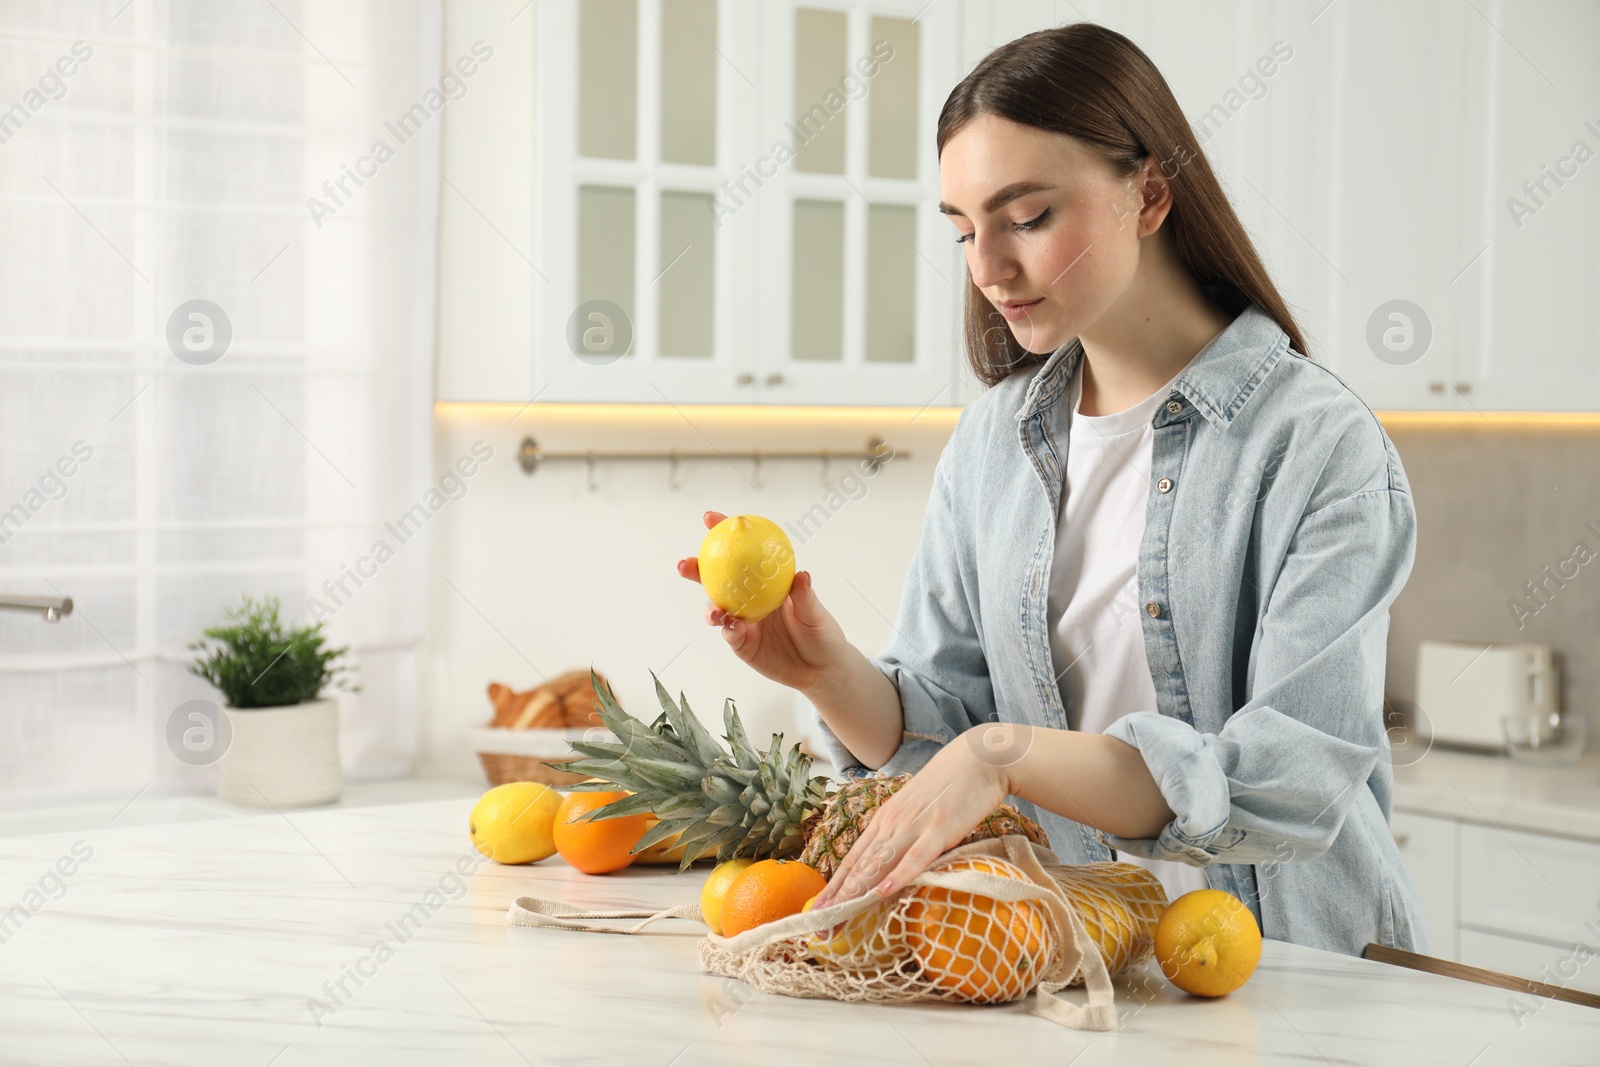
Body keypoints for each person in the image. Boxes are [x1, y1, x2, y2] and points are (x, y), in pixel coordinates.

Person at [676, 23, 1428, 957]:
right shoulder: (997, 440)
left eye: (1026, 218)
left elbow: (1292, 776)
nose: (988, 268)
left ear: (1149, 194)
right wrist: (824, 673)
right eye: (962, 231)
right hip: (1076, 965)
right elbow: (942, 730)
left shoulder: (1315, 445)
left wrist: (1005, 754)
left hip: (1290, 975)